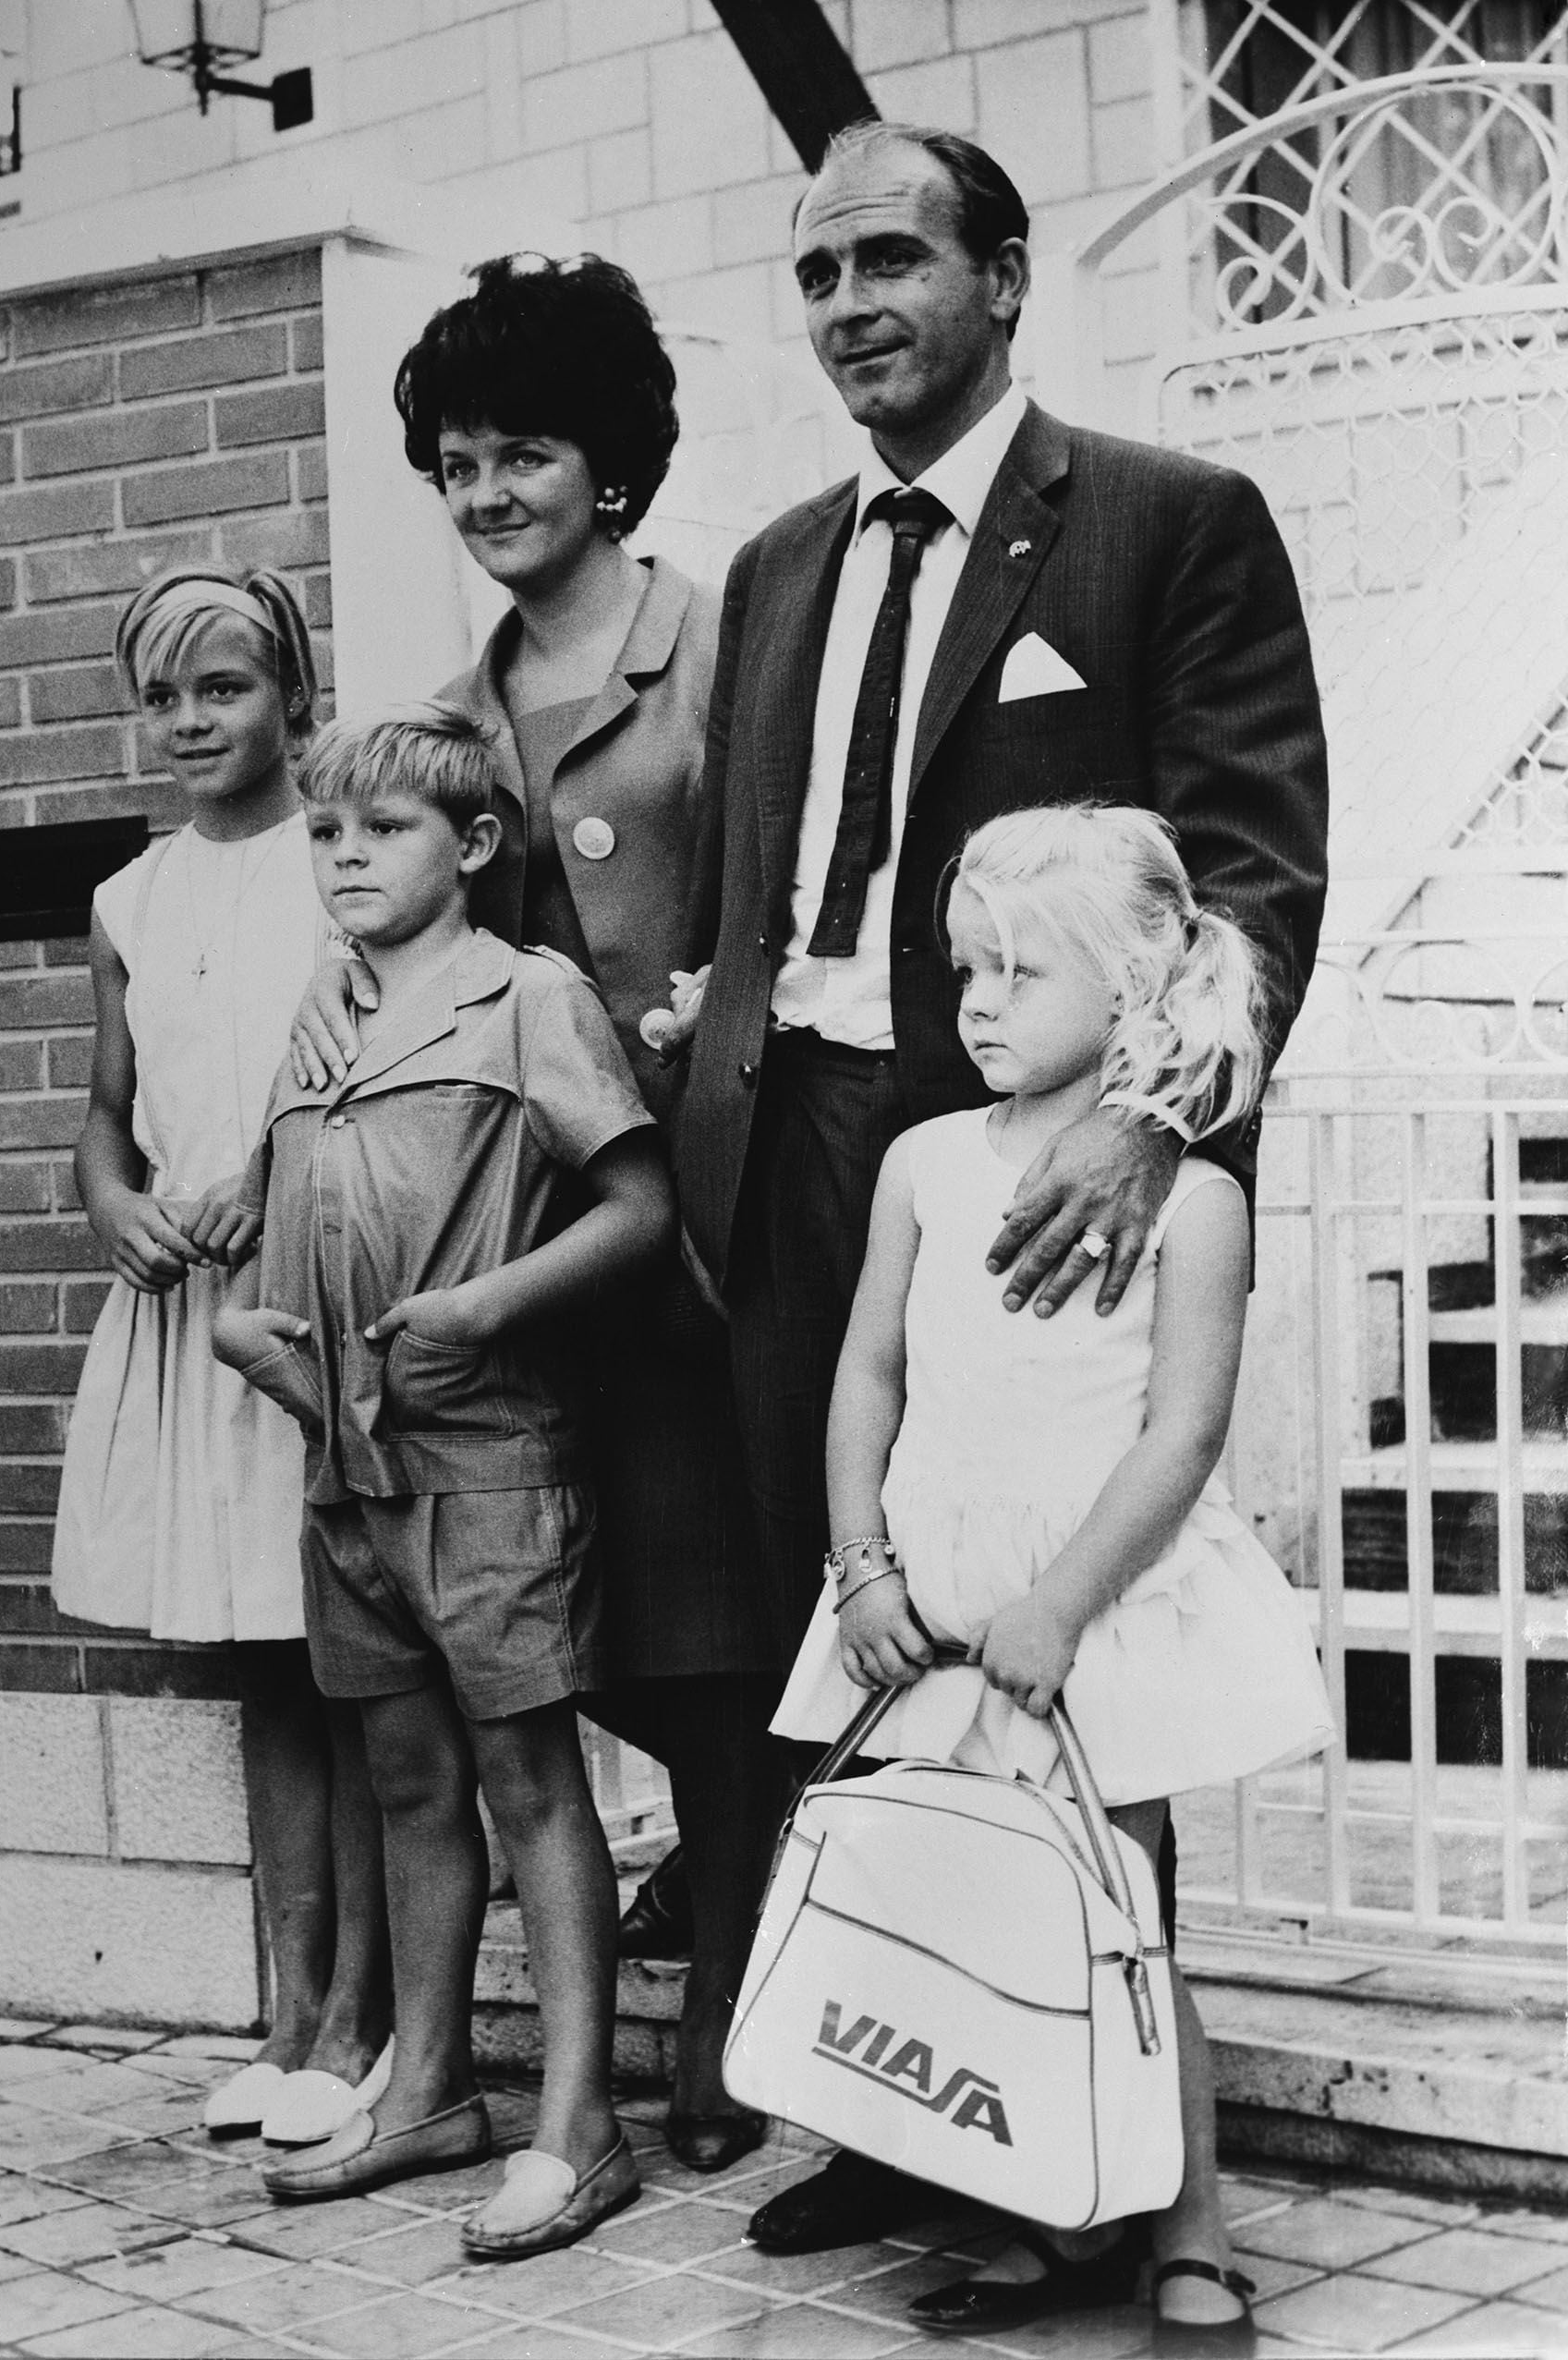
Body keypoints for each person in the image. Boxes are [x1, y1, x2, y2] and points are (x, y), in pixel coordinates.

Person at [669, 120, 1329, 2257]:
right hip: (818, 1178)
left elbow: (1249, 869)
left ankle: (1113, 2127)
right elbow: (753, 894)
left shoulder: (1163, 522)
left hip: (1058, 1166)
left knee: (1061, 1677)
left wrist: (1159, 1122)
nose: (851, 302)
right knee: (855, 1645)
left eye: (892, 259)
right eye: (818, 271)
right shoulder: (775, 565)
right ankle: (895, 2102)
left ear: (1005, 277)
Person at [291, 253, 786, 2171]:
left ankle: (730, 2001)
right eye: (458, 461)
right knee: (621, 1629)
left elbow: (812, 880)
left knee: (729, 1628)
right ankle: (692, 1961)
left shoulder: (735, 636)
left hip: (735, 1217)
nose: (489, 490)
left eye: (525, 452)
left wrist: (721, 1015)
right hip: (551, 1251)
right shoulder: (451, 717)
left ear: (613, 461)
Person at [775, 805, 1334, 2335]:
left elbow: (1183, 1431)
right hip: (933, 1599)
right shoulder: (921, 1164)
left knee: (1120, 1914)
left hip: (1085, 1602)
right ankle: (1042, 2208)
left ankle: (1189, 2227)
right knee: (981, 1913)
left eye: (1020, 972)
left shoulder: (1191, 1199)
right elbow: (867, 1376)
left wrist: (1063, 1603)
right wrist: (861, 1564)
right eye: (967, 968)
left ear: (1135, 988)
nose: (978, 1003)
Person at [213, 710, 674, 2261]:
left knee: (528, 1780)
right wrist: (249, 1337)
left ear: (473, 847)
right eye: (328, 834)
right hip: (342, 1470)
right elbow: (282, 1222)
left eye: (384, 831)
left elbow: (637, 1208)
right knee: (409, 1785)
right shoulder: (322, 1006)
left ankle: (579, 2120)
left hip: (487, 1463)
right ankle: (426, 2090)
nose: (345, 856)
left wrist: (488, 1306)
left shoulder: (526, 996)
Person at [53, 566, 391, 2150]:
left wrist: (279, 1171)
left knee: (355, 1655)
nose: (194, 721)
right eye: (165, 696)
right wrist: (115, 1199)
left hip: (309, 1297)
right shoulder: (132, 899)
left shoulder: (341, 864)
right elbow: (110, 1112)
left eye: (227, 688)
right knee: (268, 1663)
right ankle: (290, 2005)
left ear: (291, 692)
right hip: (192, 1310)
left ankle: (368, 2014)